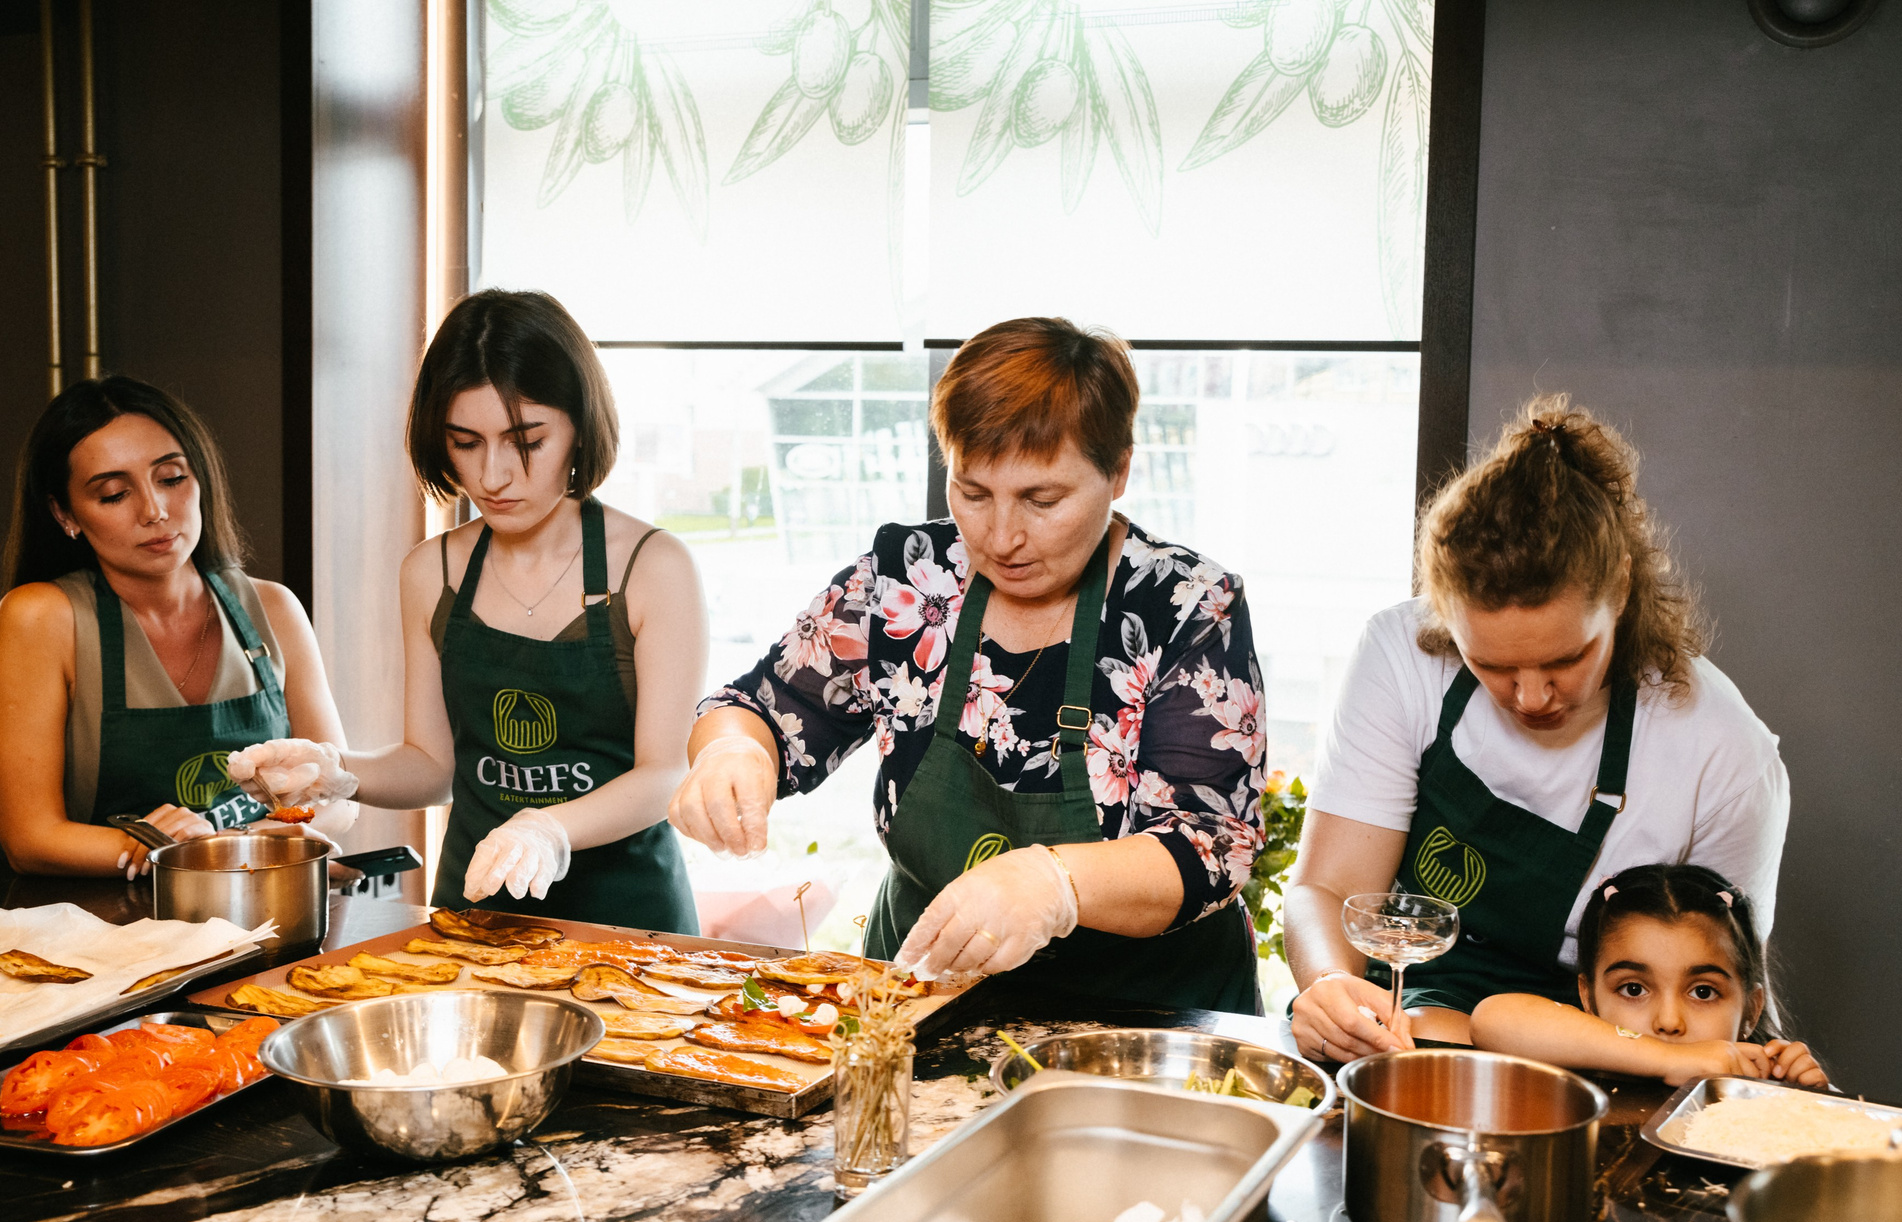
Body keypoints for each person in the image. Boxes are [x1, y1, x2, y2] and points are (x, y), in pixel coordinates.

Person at [668, 318, 1267, 1013]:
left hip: (1142, 1017)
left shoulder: (1185, 605)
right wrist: (733, 752)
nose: (1002, 537)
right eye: (973, 492)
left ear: (1120, 470)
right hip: (927, 991)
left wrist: (1054, 883)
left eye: (1042, 500)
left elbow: (1210, 844)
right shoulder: (908, 579)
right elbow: (760, 708)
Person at [1285, 393, 1789, 1062]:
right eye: (1492, 665)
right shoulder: (1399, 654)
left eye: (1565, 660)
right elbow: (1329, 890)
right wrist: (1330, 986)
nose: (1530, 697)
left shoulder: (1721, 752)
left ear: (1622, 588)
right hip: (1399, 1019)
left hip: (1596, 1052)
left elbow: (1718, 989)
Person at [229, 291, 705, 930]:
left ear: (580, 427)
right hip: (476, 914)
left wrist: (548, 828)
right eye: (466, 443)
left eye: (527, 440)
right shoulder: (432, 571)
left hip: (630, 918)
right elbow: (431, 767)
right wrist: (336, 770)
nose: (493, 476)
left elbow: (665, 772)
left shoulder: (653, 567)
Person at [0, 377, 350, 882]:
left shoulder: (273, 608)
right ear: (65, 513)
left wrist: (223, 845)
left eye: (171, 478)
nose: (155, 511)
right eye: (114, 494)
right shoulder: (41, 616)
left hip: (262, 907)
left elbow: (334, 796)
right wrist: (177, 850)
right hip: (95, 923)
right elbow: (29, 839)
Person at [1471, 864, 1827, 1087]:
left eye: (1703, 992)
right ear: (1588, 997)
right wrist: (1671, 1060)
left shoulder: (1761, 1082)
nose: (1668, 1022)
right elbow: (1492, 1018)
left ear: (1751, 1010)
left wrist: (1803, 1103)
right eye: (1633, 989)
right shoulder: (1578, 1061)